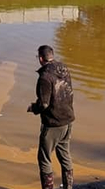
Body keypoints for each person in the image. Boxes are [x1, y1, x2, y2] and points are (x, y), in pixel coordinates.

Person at [27, 45, 75, 189]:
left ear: (41, 58)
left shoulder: (44, 77)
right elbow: (68, 93)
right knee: (65, 155)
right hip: (68, 120)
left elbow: (44, 104)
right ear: (51, 56)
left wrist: (33, 108)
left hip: (53, 124)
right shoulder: (64, 68)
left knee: (44, 159)